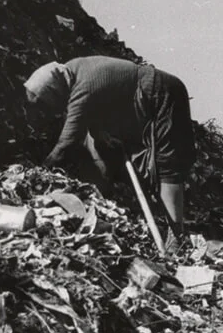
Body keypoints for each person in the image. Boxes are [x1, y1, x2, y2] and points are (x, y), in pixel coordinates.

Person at [24, 56, 197, 243]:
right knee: (100, 144)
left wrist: (42, 170)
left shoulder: (84, 87)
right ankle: (108, 199)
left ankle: (175, 234)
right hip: (138, 99)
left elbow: (67, 142)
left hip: (162, 94)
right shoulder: (71, 71)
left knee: (167, 163)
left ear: (55, 91)